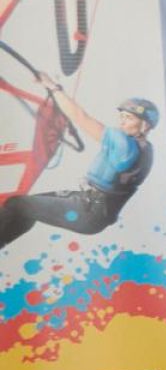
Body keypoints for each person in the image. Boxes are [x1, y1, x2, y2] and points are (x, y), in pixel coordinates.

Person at [0, 81, 158, 248]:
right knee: (27, 208)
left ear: (145, 125)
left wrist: (53, 88)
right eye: (122, 116)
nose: (122, 122)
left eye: (129, 118)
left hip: (87, 212)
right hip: (91, 206)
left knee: (16, 204)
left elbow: (80, 117)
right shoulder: (146, 149)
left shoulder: (125, 146)